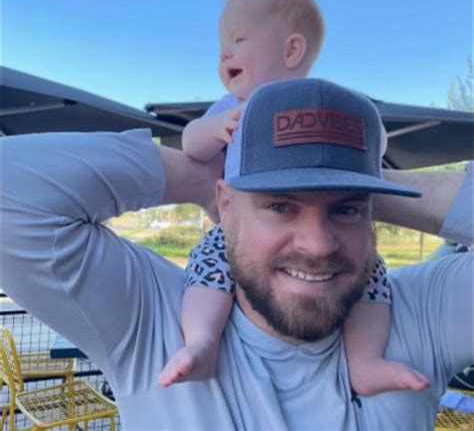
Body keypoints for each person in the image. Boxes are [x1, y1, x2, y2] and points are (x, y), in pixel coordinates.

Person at [1, 78, 472, 430]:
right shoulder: (149, 322)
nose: (318, 244)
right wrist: (198, 178)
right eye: (280, 206)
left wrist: (372, 183)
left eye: (346, 209)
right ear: (225, 205)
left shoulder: (416, 315)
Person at [159, 0, 430, 397]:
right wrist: (214, 131)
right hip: (230, 231)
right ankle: (202, 341)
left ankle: (365, 361)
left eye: (239, 40)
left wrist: (364, 185)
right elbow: (192, 142)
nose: (225, 53)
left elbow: (375, 153)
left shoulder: (333, 109)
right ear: (224, 201)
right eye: (280, 205)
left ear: (292, 51)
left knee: (373, 278)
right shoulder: (230, 108)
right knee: (208, 270)